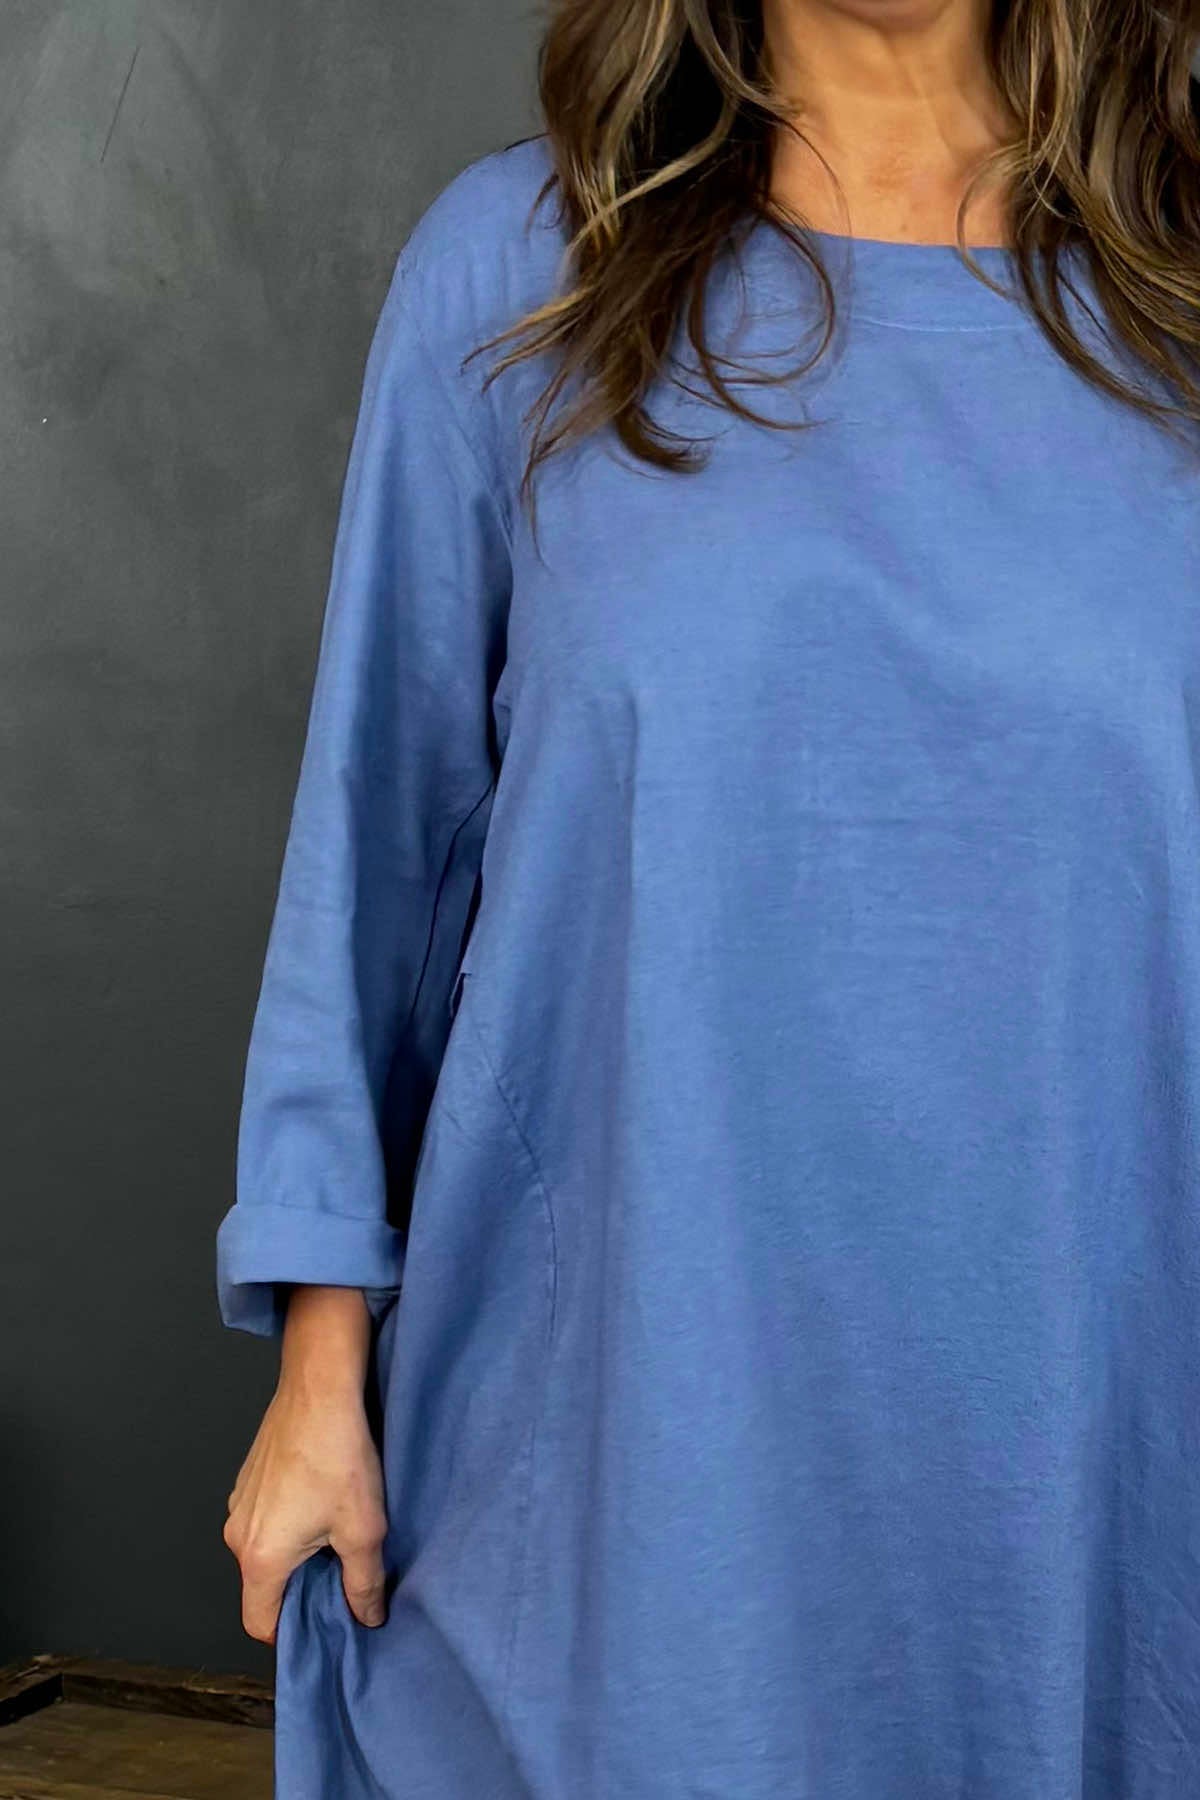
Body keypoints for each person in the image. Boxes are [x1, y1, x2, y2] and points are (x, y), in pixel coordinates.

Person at [217, 0, 1200, 1793]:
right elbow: (377, 850)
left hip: (1101, 1437)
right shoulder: (525, 273)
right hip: (634, 1459)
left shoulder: (1179, 289)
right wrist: (316, 1368)